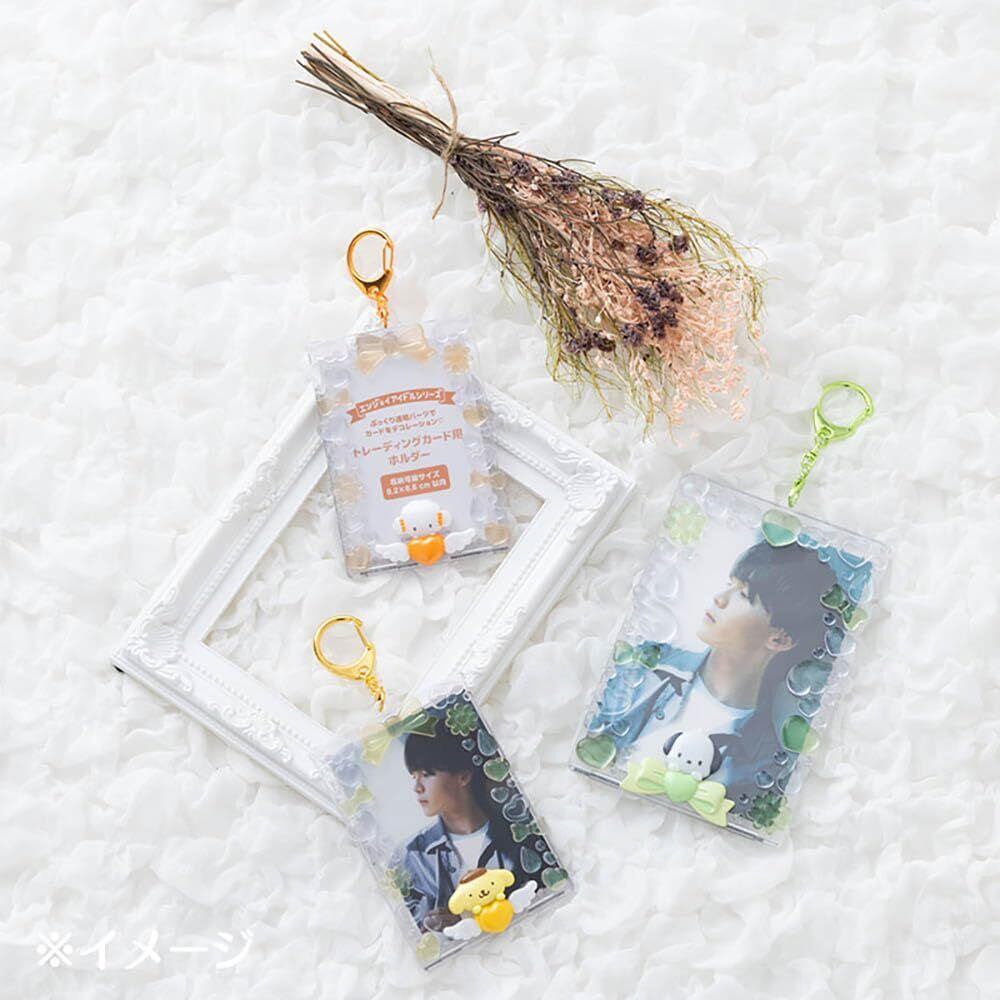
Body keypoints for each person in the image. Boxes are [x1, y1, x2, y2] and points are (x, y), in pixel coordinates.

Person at [592, 540, 838, 810]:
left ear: (780, 639)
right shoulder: (644, 662)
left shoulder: (764, 757)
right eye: (728, 584)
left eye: (743, 595)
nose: (720, 598)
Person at [396, 726, 522, 933]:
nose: (417, 787)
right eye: (413, 776)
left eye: (427, 774)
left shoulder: (517, 833)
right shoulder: (413, 855)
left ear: (463, 776)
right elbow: (413, 933)